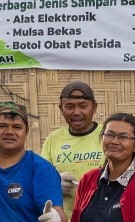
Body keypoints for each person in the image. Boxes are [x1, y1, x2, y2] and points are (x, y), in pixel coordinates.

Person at [39, 81, 105, 214]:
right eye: (69, 107)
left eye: (83, 106)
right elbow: (42, 179)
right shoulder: (53, 139)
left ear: (94, 107)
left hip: (101, 219)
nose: (76, 112)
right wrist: (56, 182)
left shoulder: (107, 135)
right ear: (61, 109)